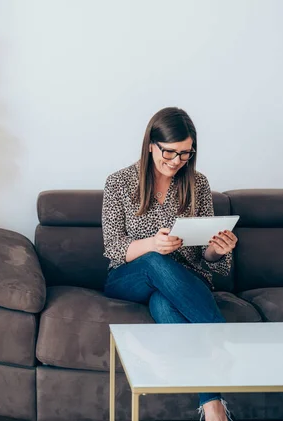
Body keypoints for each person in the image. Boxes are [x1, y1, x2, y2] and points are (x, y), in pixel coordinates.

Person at [101, 107, 238, 421]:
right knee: (154, 260)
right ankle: (221, 341)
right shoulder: (119, 182)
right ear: (151, 144)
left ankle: (213, 409)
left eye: (185, 154)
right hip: (130, 276)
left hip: (184, 281)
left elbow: (209, 257)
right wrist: (153, 244)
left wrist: (217, 250)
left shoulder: (197, 184)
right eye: (170, 152)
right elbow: (113, 247)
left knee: (165, 304)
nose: (177, 161)